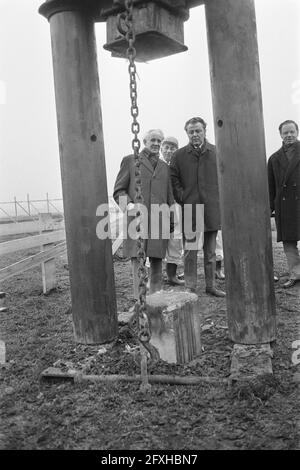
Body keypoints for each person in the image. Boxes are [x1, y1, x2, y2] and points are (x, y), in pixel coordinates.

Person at [113, 129, 174, 299]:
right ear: (145, 141)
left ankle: (155, 301)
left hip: (159, 220)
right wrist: (130, 205)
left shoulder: (164, 167)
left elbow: (169, 196)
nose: (156, 143)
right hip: (137, 221)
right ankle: (139, 303)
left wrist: (170, 222)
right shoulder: (130, 161)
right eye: (153, 140)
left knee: (156, 262)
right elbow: (118, 191)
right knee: (137, 262)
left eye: (159, 141)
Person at [170, 117, 226, 297]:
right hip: (190, 209)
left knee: (210, 252)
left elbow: (224, 178)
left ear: (205, 131)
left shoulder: (217, 152)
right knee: (190, 251)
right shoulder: (178, 156)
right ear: (187, 133)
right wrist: (183, 198)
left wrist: (217, 199)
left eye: (198, 131)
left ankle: (211, 286)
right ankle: (190, 286)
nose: (195, 134)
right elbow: (174, 180)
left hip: (211, 209)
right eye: (191, 131)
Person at [268, 120, 300, 288]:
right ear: (280, 134)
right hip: (284, 206)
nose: (289, 135)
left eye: (292, 132)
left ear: (297, 132)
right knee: (289, 242)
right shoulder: (274, 158)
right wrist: (270, 209)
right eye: (285, 132)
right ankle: (296, 274)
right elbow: (271, 187)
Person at [160, 136, 184, 286]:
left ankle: (172, 275)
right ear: (162, 149)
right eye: (166, 147)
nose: (169, 150)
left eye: (172, 147)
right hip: (159, 206)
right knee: (156, 239)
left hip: (176, 205)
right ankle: (153, 276)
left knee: (175, 241)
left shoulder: (179, 165)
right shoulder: (156, 164)